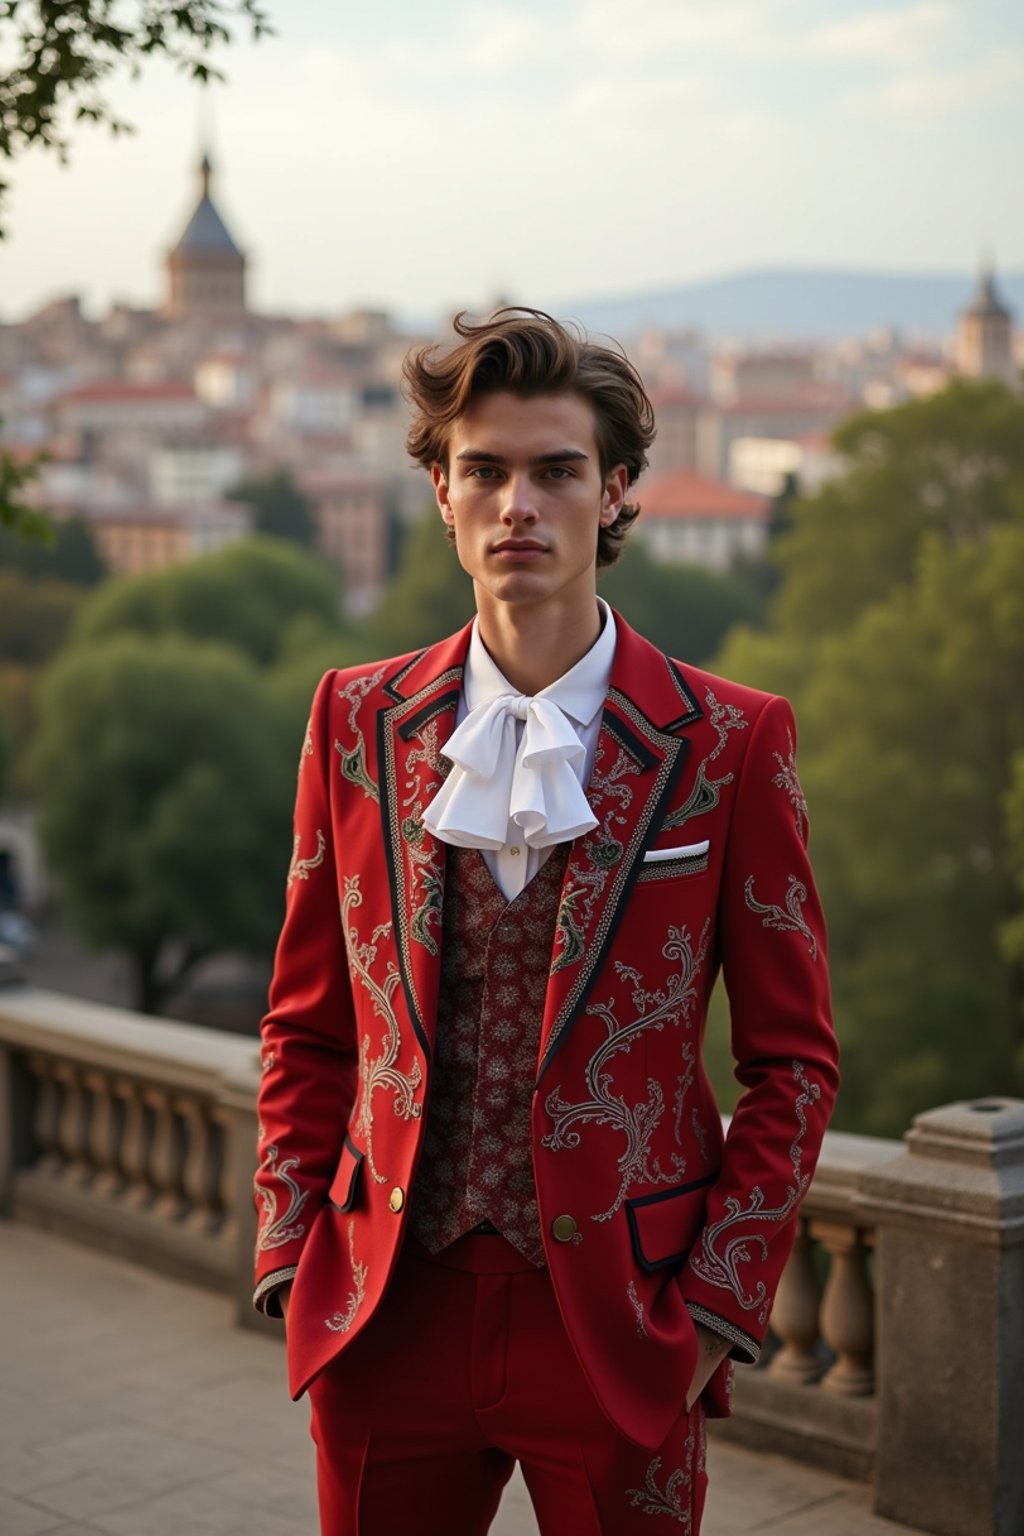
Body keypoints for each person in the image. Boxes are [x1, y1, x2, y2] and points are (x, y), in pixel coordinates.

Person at [254, 309, 839, 1535]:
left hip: (621, 1330)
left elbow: (790, 1064)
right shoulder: (352, 722)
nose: (518, 501)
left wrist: (711, 1322)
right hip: (386, 1318)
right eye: (486, 470)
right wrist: (290, 1251)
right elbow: (307, 1021)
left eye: (556, 470)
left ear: (614, 491)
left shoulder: (730, 743)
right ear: (441, 491)